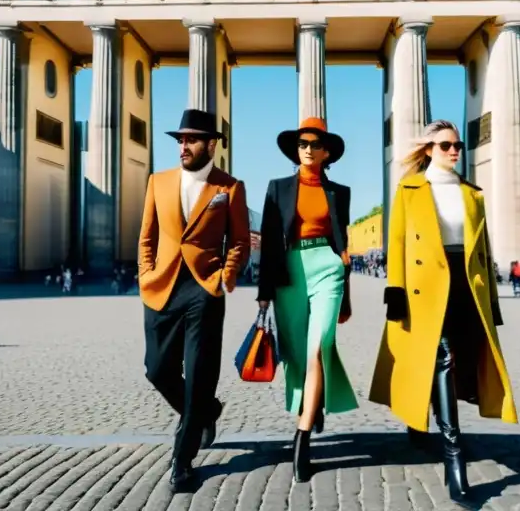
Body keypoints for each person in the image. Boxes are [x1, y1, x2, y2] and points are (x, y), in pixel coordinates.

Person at [369, 119, 517, 502]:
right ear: (429, 149)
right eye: (446, 144)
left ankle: (421, 423)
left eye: (458, 145)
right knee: (444, 358)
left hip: (466, 284)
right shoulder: (410, 189)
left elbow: (483, 252)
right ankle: (454, 457)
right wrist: (395, 289)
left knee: (458, 359)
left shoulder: (472, 194)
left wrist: (493, 303)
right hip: (425, 288)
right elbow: (398, 240)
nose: (454, 151)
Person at [138, 108, 251, 493]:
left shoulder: (229, 187)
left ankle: (181, 461)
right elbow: (147, 236)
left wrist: (224, 277)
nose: (183, 146)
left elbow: (238, 241)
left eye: (191, 140)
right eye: (180, 140)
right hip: (161, 287)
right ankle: (207, 411)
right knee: (157, 369)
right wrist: (145, 274)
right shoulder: (158, 181)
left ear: (211, 144)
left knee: (199, 374)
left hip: (204, 289)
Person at [257, 117, 357, 483]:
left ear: (327, 152)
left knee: (320, 346)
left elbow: (342, 243)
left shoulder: (339, 192)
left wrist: (347, 295)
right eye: (303, 144)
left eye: (315, 144)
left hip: (326, 268)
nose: (308, 150)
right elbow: (269, 243)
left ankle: (302, 439)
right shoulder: (277, 188)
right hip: (289, 273)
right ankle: (312, 408)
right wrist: (264, 294)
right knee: (297, 353)